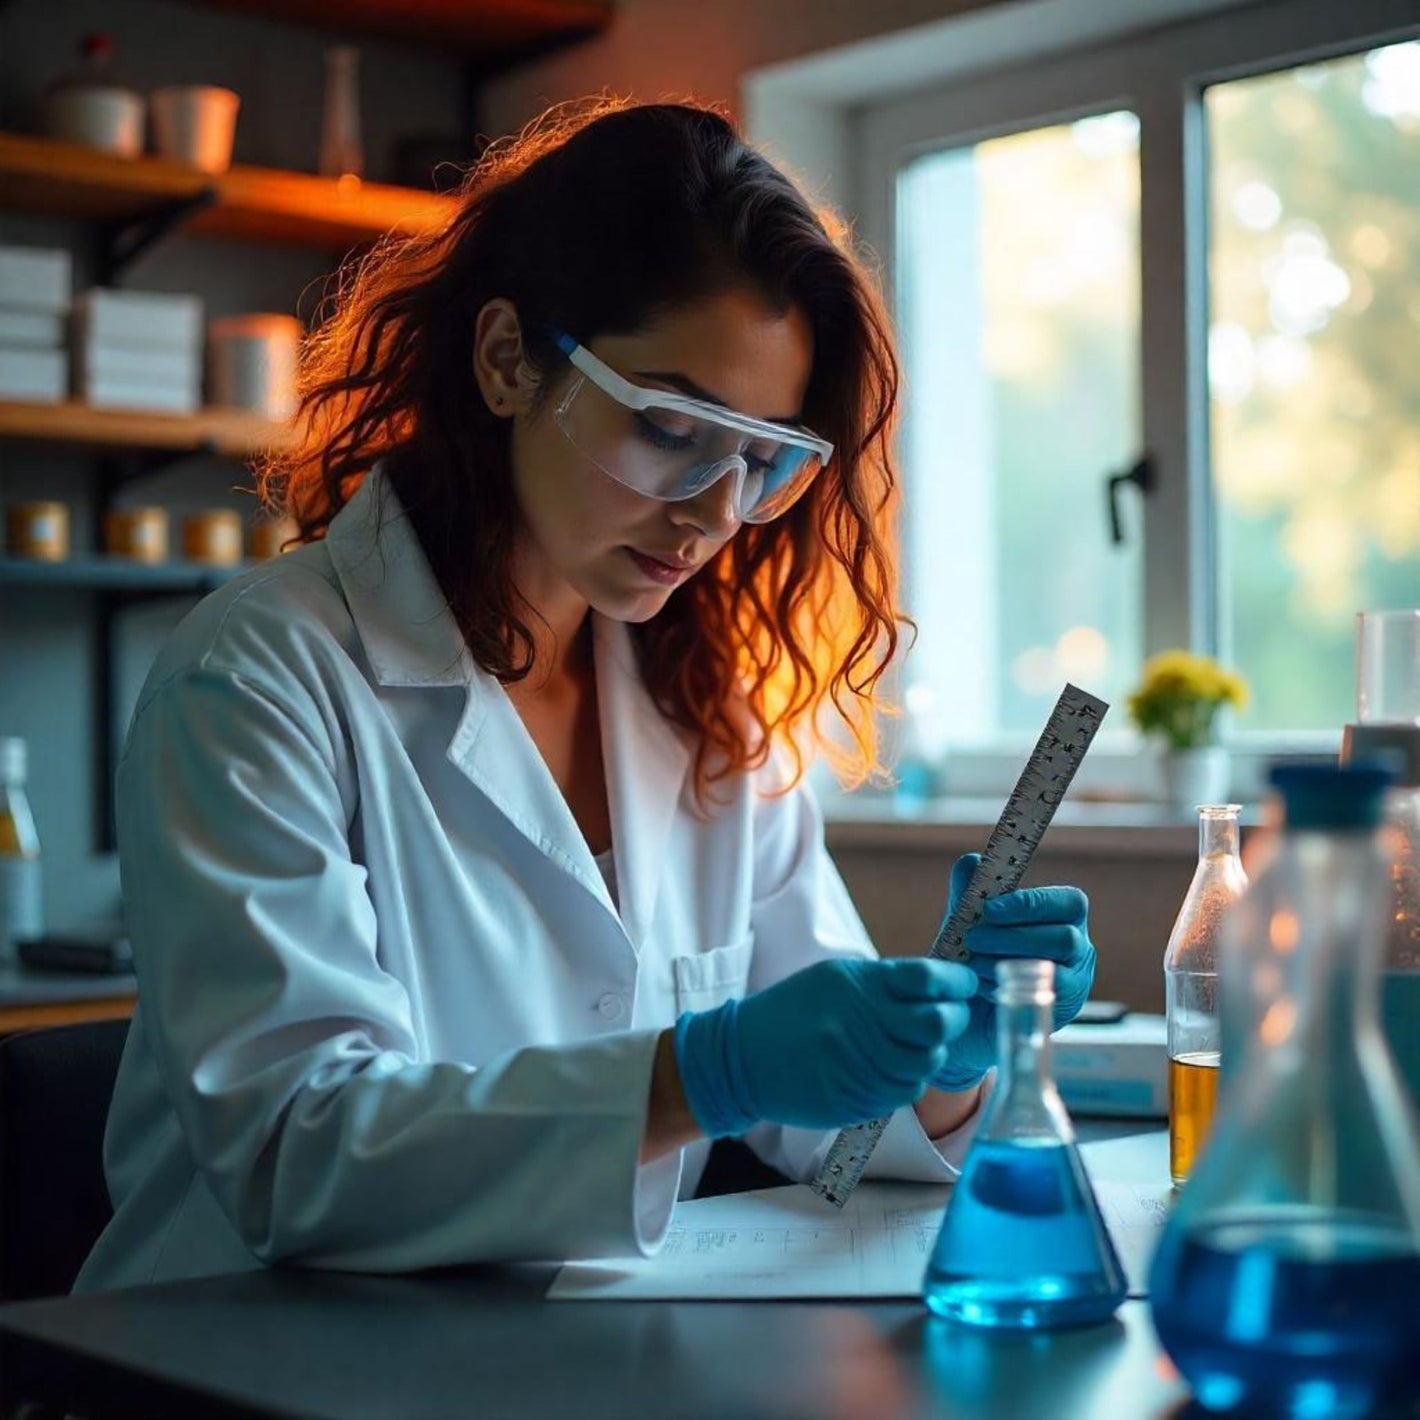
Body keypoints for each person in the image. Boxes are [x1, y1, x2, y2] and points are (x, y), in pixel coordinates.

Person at [75, 99, 1096, 1292]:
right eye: (671, 426)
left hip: (556, 1359)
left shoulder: (708, 717)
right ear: (509, 359)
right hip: (227, 1360)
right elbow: (293, 1152)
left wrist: (946, 1059)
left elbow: (829, 1140)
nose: (717, 510)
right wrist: (695, 1076)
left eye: (764, 455)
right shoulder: (258, 677)